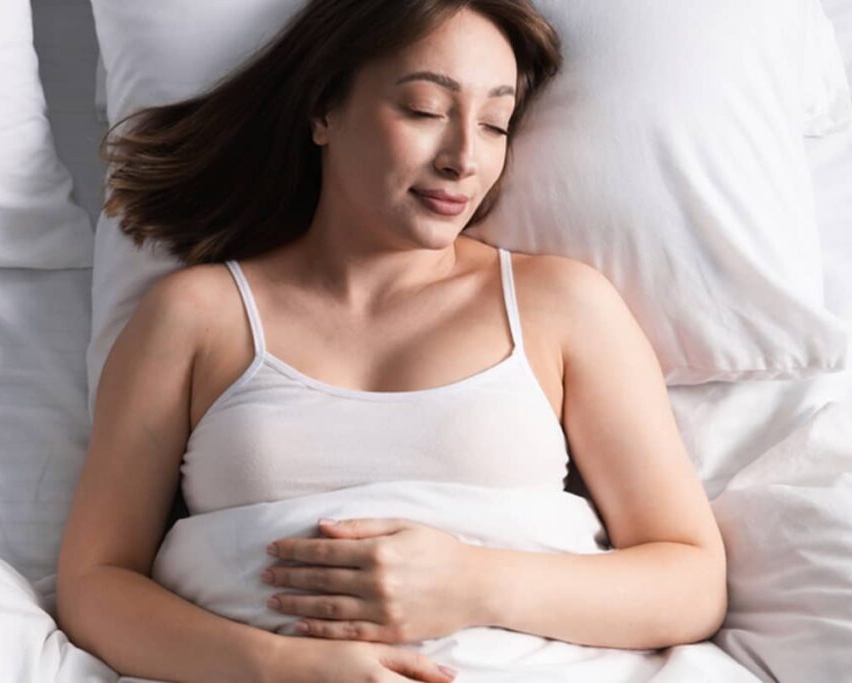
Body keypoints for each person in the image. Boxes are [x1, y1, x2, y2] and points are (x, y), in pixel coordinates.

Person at [56, 1, 728, 681]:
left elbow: (692, 581)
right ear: (324, 109)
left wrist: (477, 582)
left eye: (496, 123)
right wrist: (286, 666)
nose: (465, 158)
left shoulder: (561, 306)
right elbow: (94, 583)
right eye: (425, 109)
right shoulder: (194, 317)